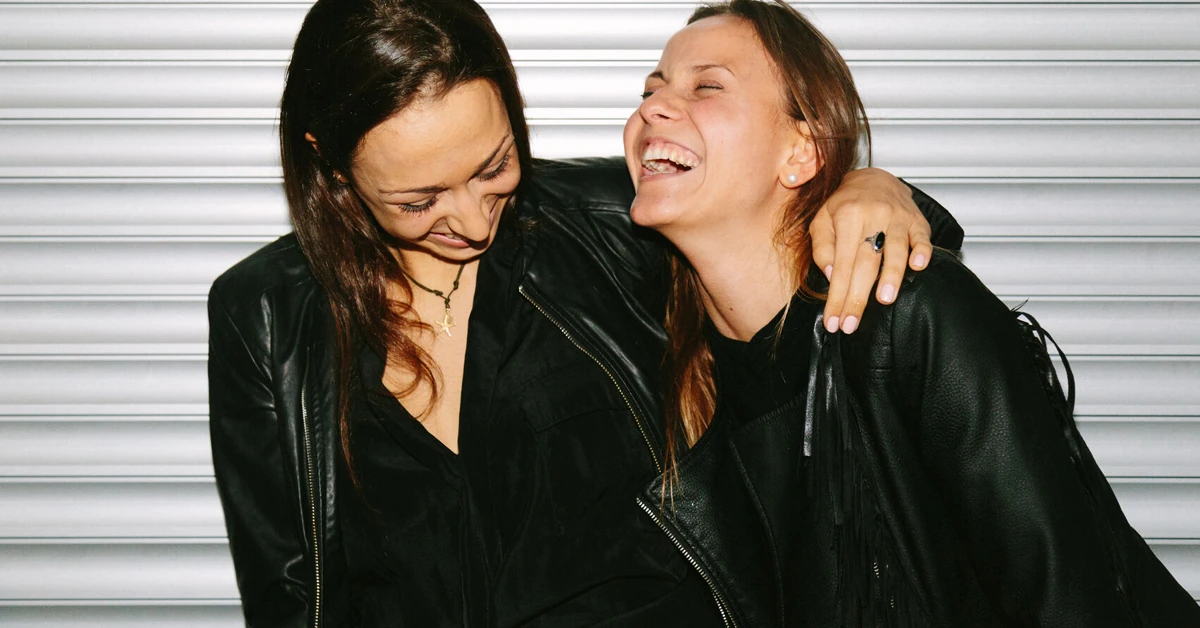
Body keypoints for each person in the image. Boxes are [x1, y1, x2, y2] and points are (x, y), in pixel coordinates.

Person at [206, 0, 964, 625]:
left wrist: (870, 190)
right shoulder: (264, 316)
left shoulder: (613, 222)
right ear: (331, 165)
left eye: (493, 167)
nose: (470, 220)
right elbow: (291, 597)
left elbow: (800, 243)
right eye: (418, 200)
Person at [622, 1, 1200, 626]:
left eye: (706, 86)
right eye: (650, 90)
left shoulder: (911, 318)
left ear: (801, 153)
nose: (654, 107)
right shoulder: (663, 376)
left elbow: (1070, 600)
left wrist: (874, 183)